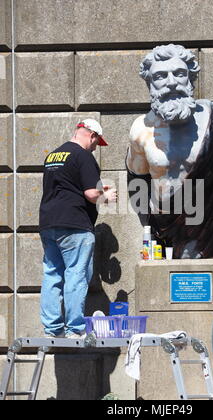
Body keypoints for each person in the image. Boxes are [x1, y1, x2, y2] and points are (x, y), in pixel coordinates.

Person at [126, 44, 213, 259]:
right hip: (165, 228)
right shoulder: (141, 128)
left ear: (191, 78)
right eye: (160, 76)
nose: (171, 82)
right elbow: (137, 178)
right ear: (150, 83)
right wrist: (150, 223)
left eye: (179, 73)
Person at [39, 119, 117, 339]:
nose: (95, 148)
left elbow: (65, 187)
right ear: (91, 135)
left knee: (52, 275)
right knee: (76, 274)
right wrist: (106, 196)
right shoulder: (83, 156)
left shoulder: (52, 156)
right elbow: (91, 194)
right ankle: (75, 329)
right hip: (74, 224)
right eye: (96, 143)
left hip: (48, 223)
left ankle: (52, 329)